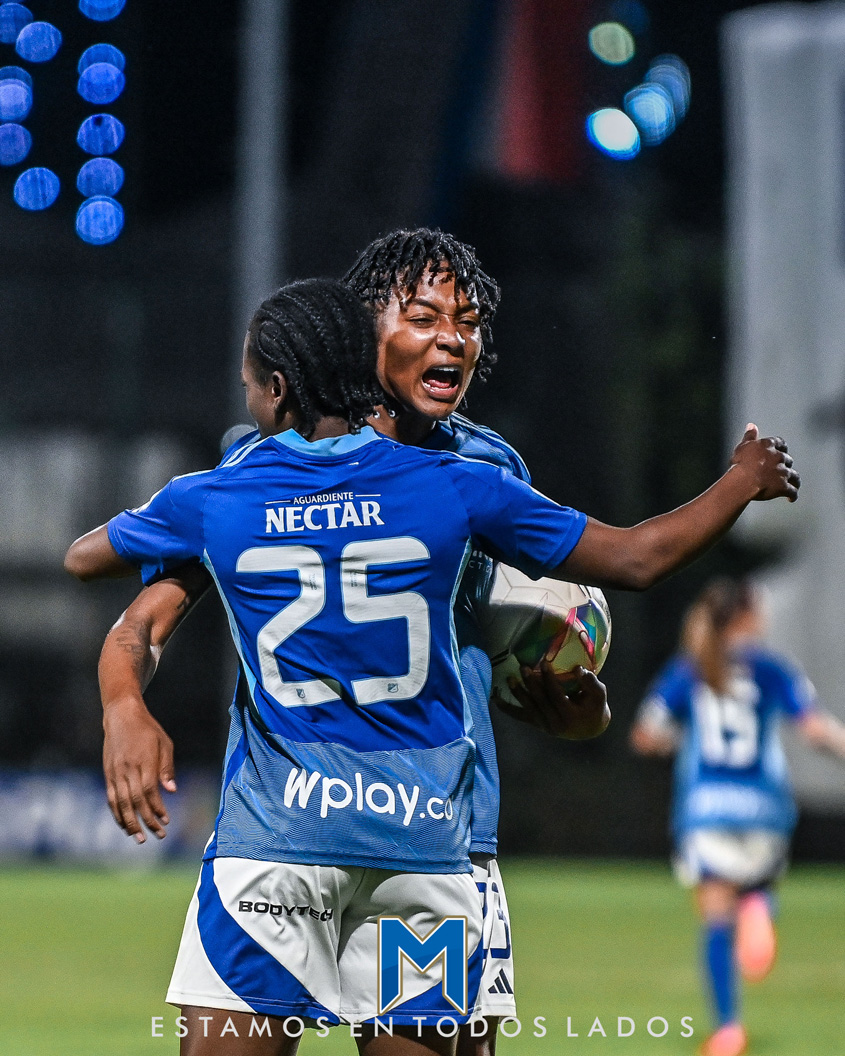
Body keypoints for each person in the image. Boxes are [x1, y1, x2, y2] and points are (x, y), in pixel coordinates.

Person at [66, 235, 798, 1053]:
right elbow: (143, 622)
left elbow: (507, 650)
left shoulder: (486, 464)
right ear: (358, 331)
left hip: (448, 835)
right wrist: (123, 702)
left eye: (468, 322)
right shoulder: (272, 467)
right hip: (306, 827)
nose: (452, 338)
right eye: (422, 317)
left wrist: (563, 701)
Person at [630, 577, 845, 1056]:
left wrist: (679, 740)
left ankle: (728, 1029)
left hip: (707, 808)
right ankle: (759, 904)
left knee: (714, 918)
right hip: (764, 806)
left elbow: (646, 735)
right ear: (747, 617)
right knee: (755, 883)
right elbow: (813, 729)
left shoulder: (689, 667)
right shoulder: (771, 668)